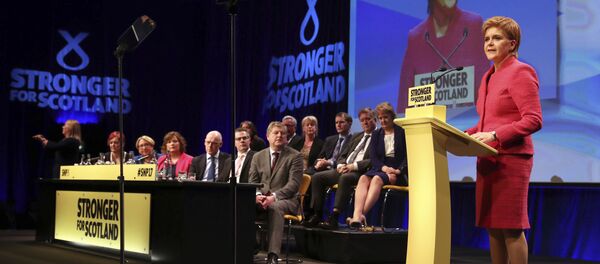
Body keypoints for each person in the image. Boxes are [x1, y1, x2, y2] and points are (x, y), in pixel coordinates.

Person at [466, 16, 542, 264]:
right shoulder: (487, 77)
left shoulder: (521, 71)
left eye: (496, 38)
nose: (489, 43)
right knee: (493, 226)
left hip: (511, 160)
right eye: (486, 39)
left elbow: (533, 119)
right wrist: (465, 134)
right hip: (487, 159)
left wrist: (496, 135)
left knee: (510, 227)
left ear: (512, 44)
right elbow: (487, 121)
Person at [397, 0, 489, 113]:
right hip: (429, 122)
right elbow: (404, 100)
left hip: (469, 120)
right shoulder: (416, 36)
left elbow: (485, 81)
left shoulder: (473, 24)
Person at [305, 108, 377, 229]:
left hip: (360, 172)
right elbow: (343, 155)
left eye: (368, 119)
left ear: (375, 120)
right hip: (344, 168)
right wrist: (340, 165)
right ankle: (317, 214)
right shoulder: (357, 136)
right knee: (317, 177)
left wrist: (352, 166)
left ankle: (335, 216)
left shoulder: (378, 137)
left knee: (345, 178)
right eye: (362, 120)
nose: (365, 122)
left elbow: (374, 159)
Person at [249, 121, 303, 264]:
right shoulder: (258, 156)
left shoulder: (295, 156)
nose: (279, 135)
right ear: (268, 136)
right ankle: (246, 247)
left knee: (275, 207)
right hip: (262, 198)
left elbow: (294, 185)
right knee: (241, 202)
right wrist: (257, 195)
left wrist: (274, 197)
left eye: (283, 133)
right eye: (276, 133)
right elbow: (252, 181)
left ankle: (272, 255)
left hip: (287, 200)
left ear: (287, 137)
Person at [348, 102, 408, 228]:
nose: (383, 120)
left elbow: (407, 156)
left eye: (385, 117)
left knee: (376, 179)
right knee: (363, 178)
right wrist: (384, 168)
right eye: (380, 118)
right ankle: (357, 215)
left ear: (392, 117)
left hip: (396, 171)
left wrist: (398, 171)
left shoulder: (402, 132)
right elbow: (374, 158)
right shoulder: (376, 134)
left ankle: (358, 216)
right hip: (381, 167)